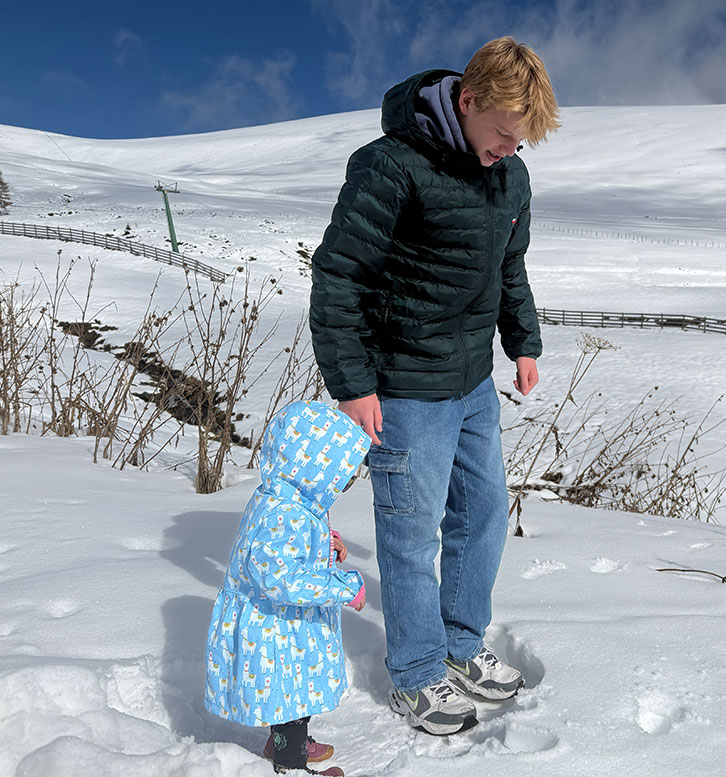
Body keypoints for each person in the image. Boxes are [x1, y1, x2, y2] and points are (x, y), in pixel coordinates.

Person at [308, 36, 560, 736]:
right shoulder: (391, 165)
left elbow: (510, 270)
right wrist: (353, 382)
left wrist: (524, 342)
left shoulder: (510, 178)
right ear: (467, 100)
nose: (511, 149)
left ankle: (459, 640)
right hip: (404, 386)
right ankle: (417, 673)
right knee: (410, 532)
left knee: (482, 513)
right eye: (503, 134)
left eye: (522, 140)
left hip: (472, 381)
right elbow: (339, 275)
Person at [205, 400, 371, 775]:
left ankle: (282, 741)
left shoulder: (290, 498)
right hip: (272, 629)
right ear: (311, 466)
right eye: (337, 475)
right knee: (290, 694)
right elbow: (281, 578)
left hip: (284, 625)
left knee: (298, 690)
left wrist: (328, 542)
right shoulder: (283, 512)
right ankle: (291, 764)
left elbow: (294, 544)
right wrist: (344, 586)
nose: (342, 484)